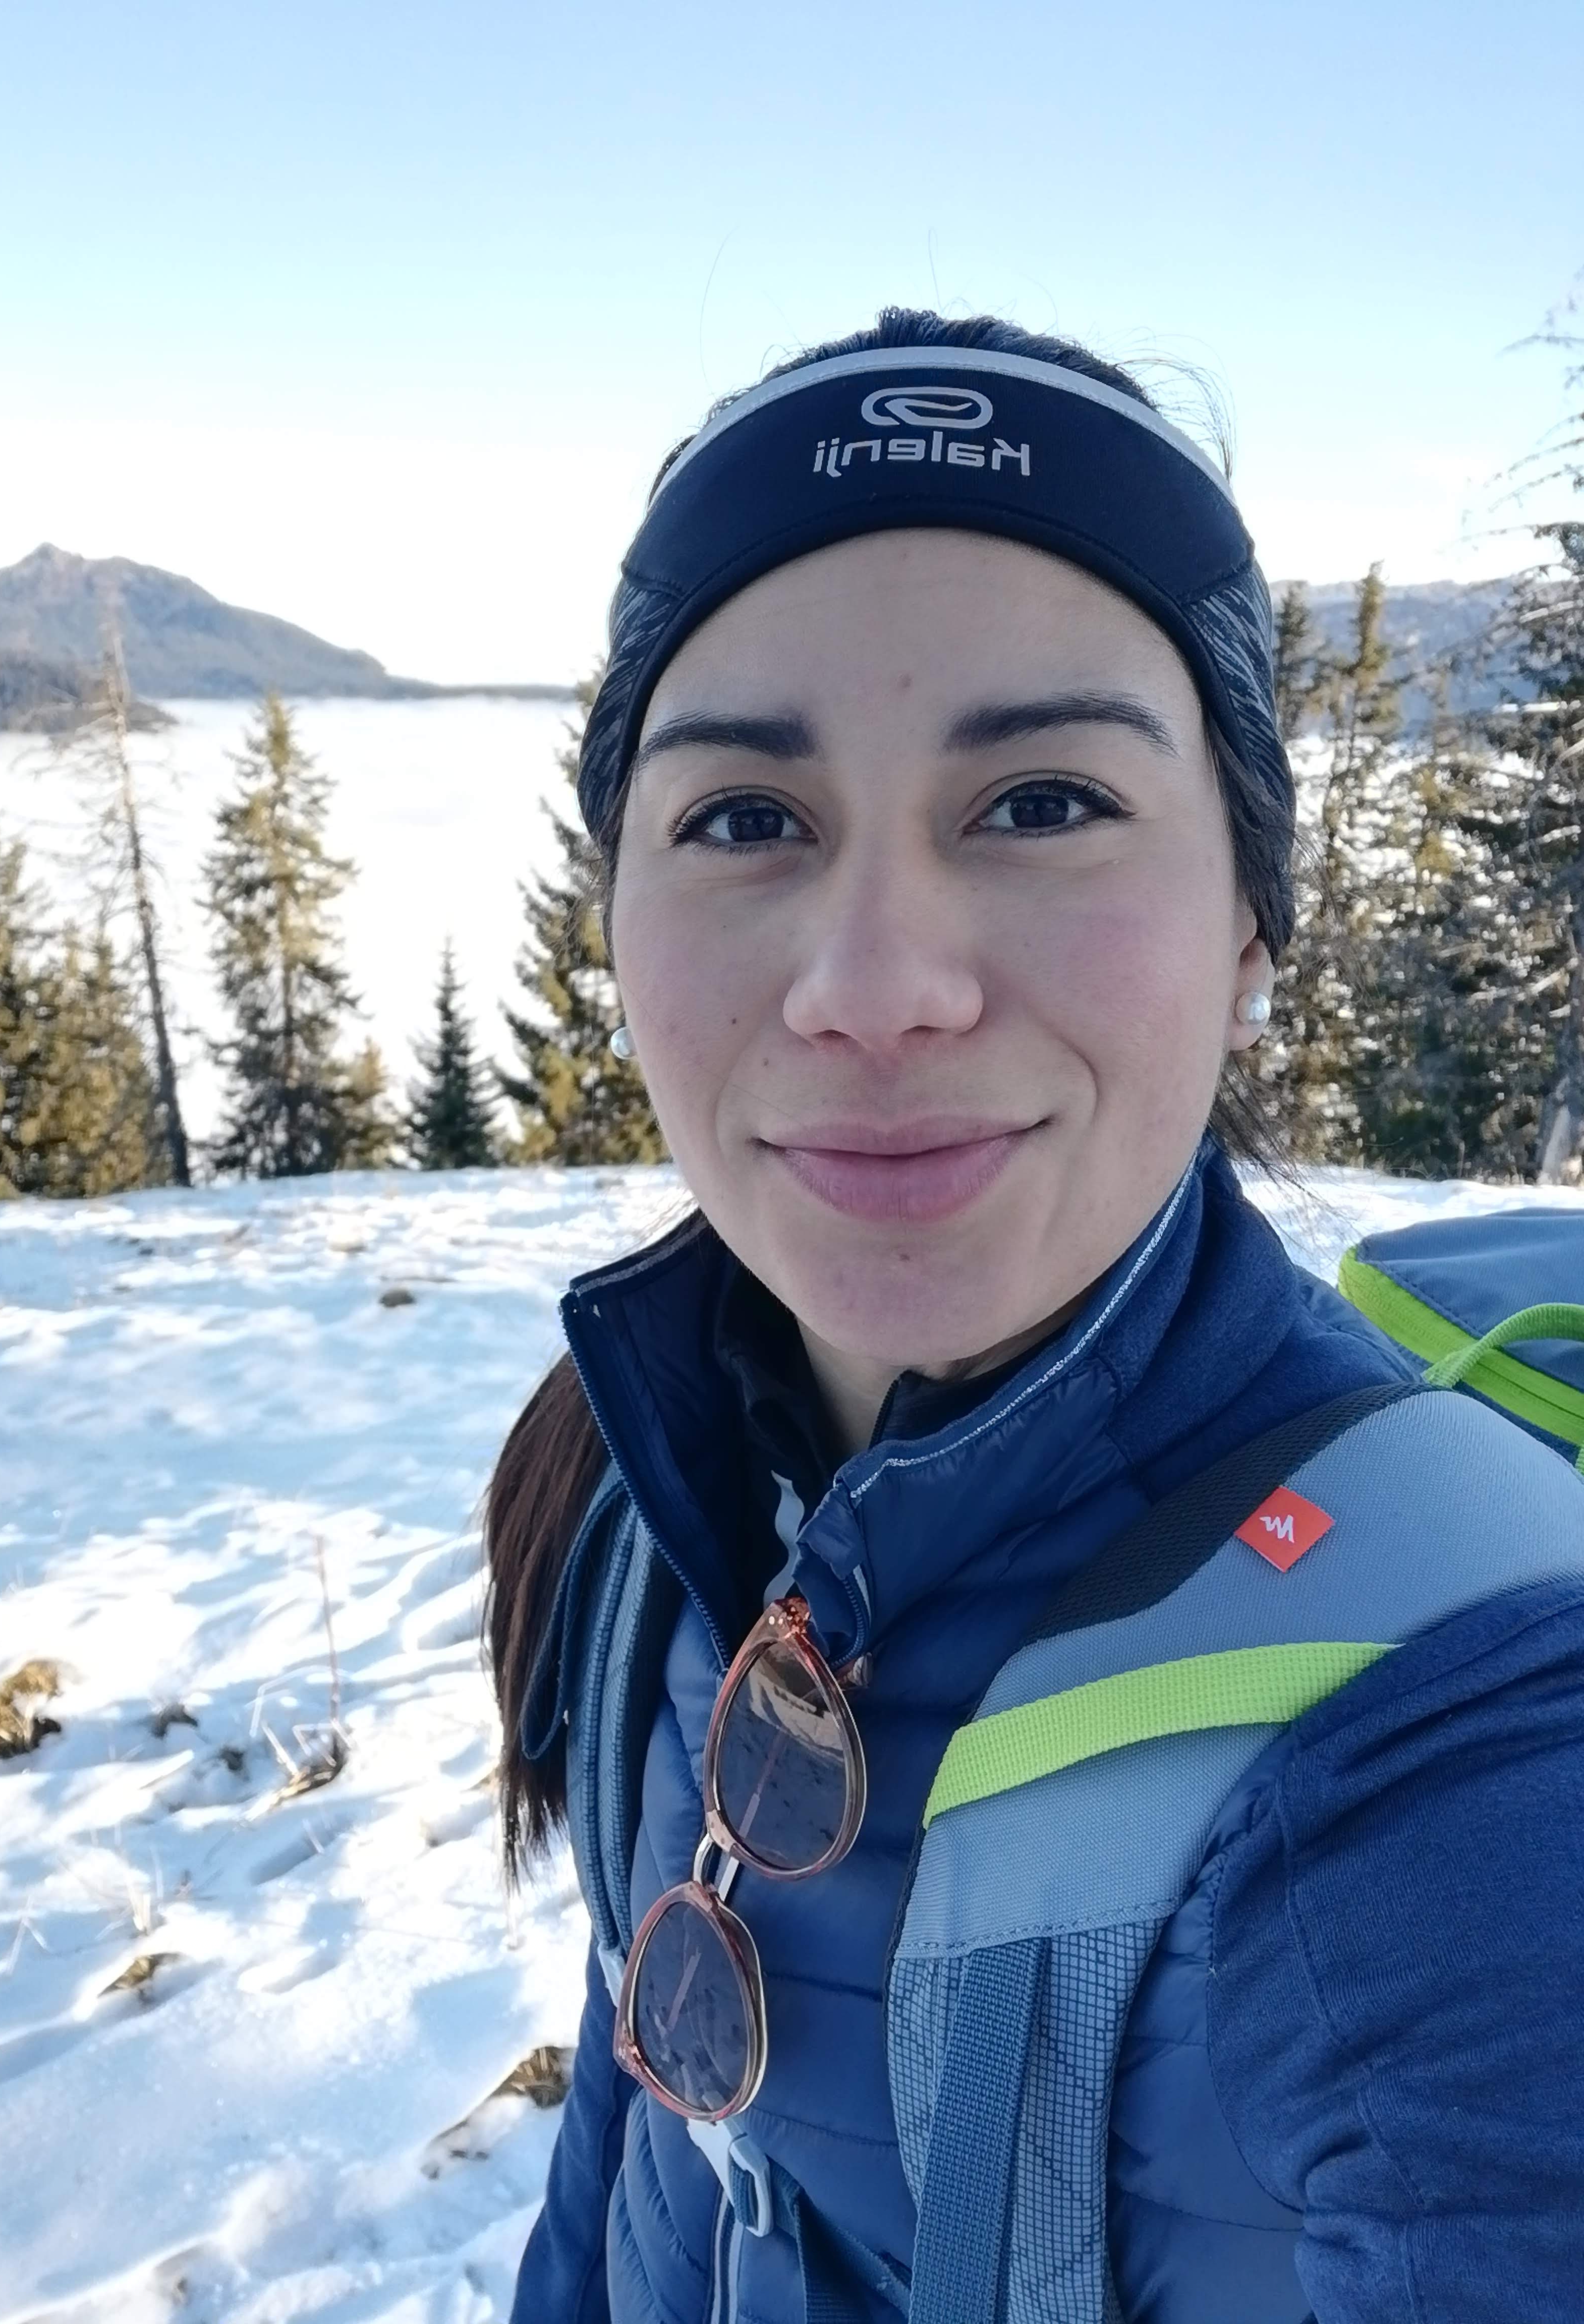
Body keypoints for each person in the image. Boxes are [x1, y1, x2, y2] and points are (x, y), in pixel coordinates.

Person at [486, 310, 1584, 2324]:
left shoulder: (1471, 1745)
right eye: (744, 819)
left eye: (1046, 802)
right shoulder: (654, 1498)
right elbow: (636, 2148)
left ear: (1251, 924)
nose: (876, 987)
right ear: (617, 912)